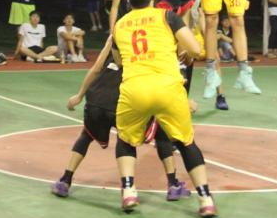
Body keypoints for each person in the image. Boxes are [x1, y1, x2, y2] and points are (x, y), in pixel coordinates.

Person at [110, 0, 217, 218]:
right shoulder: (167, 16)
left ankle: (128, 192)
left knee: (125, 140)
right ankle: (205, 199)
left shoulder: (119, 25)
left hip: (134, 89)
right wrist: (181, 50)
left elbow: (118, 60)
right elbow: (196, 49)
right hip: (168, 88)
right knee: (186, 142)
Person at [52, 34, 192, 203]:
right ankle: (168, 185)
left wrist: (80, 95)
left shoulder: (116, 36)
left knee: (86, 135)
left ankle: (65, 180)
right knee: (151, 136)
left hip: (97, 98)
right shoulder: (152, 43)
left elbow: (96, 69)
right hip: (123, 98)